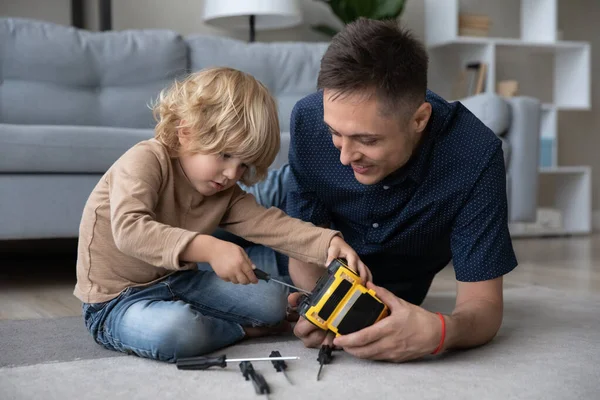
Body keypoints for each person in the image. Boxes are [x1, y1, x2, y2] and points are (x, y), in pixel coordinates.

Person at [239, 18, 518, 362]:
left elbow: (484, 306)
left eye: (367, 140)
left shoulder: (475, 158)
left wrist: (441, 331)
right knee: (190, 213)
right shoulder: (309, 117)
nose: (343, 156)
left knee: (192, 283)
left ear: (419, 119)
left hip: (328, 273)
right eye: (335, 133)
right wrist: (323, 301)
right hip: (279, 211)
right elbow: (303, 239)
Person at [73, 67, 369, 363]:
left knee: (272, 303)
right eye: (225, 155)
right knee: (176, 332)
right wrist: (210, 247)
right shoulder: (145, 160)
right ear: (186, 133)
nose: (231, 174)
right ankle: (238, 329)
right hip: (114, 302)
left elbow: (268, 224)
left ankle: (221, 325)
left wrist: (326, 243)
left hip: (177, 283)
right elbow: (130, 230)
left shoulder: (222, 190)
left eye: (243, 164)